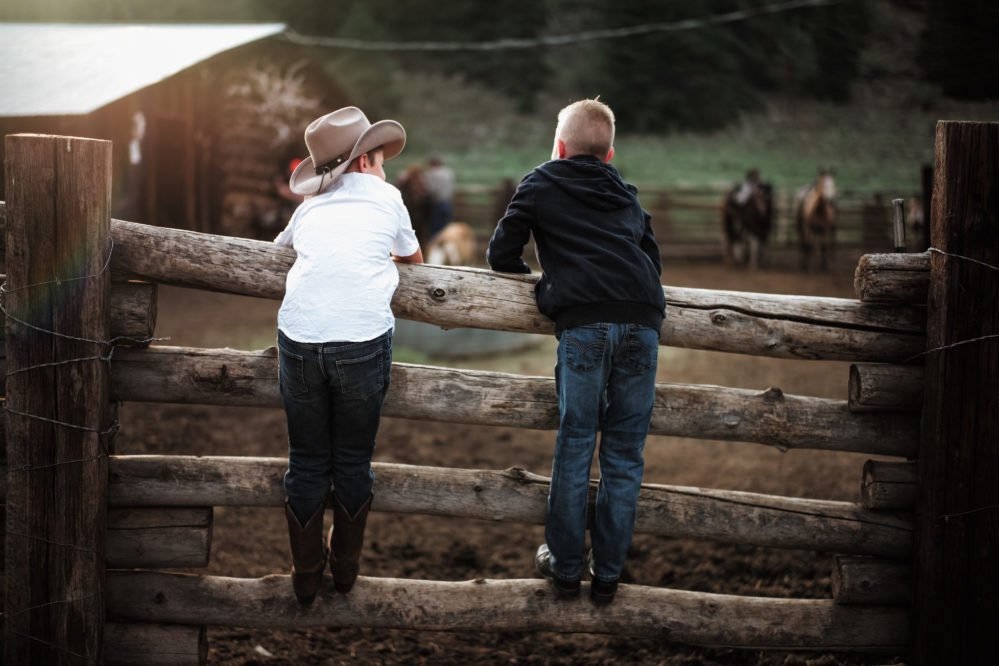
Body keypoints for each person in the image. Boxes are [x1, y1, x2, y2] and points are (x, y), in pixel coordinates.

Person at [486, 98, 665, 604]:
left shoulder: (543, 180)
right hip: (643, 323)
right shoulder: (626, 192)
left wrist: (543, 287)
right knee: (625, 454)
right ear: (609, 156)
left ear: (560, 147)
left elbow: (502, 252)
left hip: (584, 324)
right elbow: (651, 260)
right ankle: (606, 574)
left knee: (576, 444)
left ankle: (566, 569)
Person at [275, 106, 423, 605]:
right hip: (359, 342)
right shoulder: (386, 196)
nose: (384, 171)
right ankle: (346, 566)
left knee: (308, 458)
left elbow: (280, 249)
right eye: (380, 161)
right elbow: (412, 258)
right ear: (364, 163)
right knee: (353, 457)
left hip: (299, 338)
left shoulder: (310, 206)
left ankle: (305, 571)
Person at [423, 155, 456, 238]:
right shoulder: (448, 173)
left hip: (436, 204)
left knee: (435, 228)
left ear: (432, 164)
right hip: (447, 203)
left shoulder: (432, 174)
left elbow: (431, 189)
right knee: (446, 226)